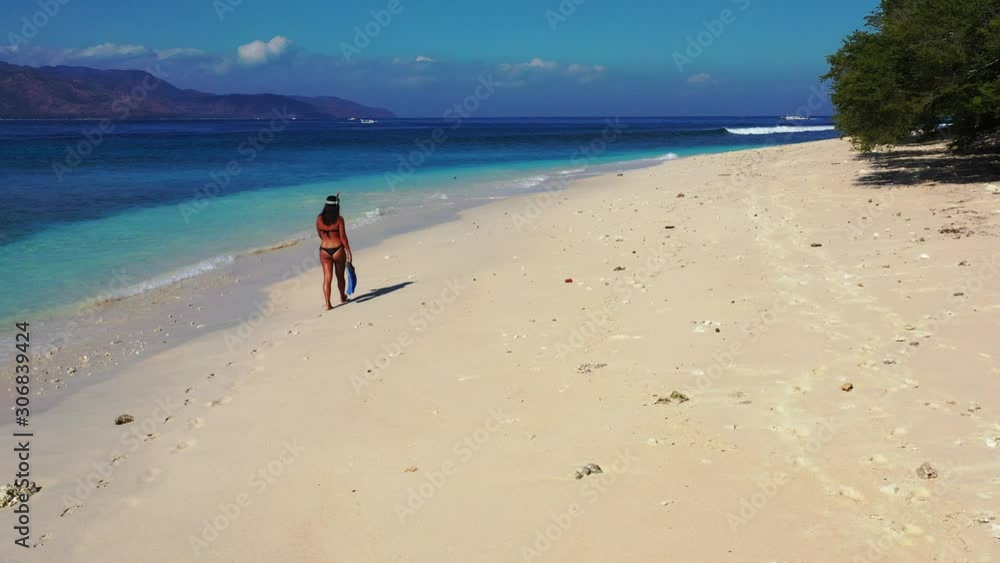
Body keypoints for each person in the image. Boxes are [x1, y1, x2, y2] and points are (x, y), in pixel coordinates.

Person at [316, 193, 353, 309]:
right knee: (340, 276)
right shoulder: (339, 220)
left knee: (327, 278)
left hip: (324, 250)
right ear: (336, 206)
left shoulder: (319, 218)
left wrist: (327, 239)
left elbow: (320, 234)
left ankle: (328, 304)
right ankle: (342, 296)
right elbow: (343, 237)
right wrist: (348, 251)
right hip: (338, 249)